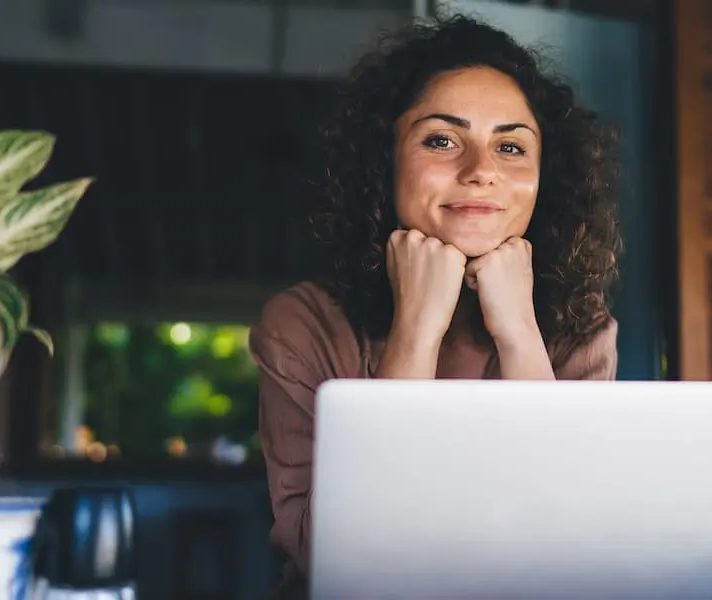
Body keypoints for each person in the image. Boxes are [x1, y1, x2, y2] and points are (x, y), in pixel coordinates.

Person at [248, 14, 622, 597]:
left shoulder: (581, 328)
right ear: (385, 163)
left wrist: (519, 332)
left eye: (511, 146)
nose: (481, 172)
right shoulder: (302, 326)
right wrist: (416, 333)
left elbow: (566, 550)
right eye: (441, 140)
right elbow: (339, 563)